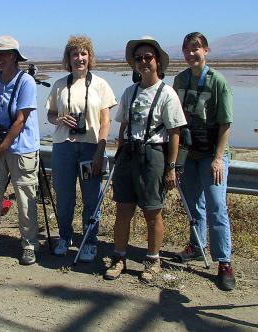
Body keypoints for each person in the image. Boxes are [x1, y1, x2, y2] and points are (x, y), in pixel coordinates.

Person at [104, 36, 187, 282]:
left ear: (157, 61)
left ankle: (153, 260)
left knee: (152, 212)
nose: (143, 62)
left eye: (147, 57)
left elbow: (175, 133)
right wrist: (119, 154)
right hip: (128, 154)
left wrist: (171, 167)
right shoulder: (130, 91)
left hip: (153, 156)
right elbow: (123, 126)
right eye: (138, 58)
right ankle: (119, 258)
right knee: (123, 210)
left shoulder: (167, 94)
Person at [173, 32, 235, 291]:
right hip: (189, 153)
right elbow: (174, 119)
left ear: (206, 50)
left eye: (195, 49)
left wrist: (219, 159)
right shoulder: (180, 80)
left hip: (212, 155)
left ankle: (224, 262)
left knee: (216, 206)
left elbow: (225, 123)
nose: (191, 54)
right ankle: (197, 246)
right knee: (192, 204)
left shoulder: (218, 81)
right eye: (187, 49)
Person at [46, 35, 117, 262]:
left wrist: (100, 149)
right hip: (63, 149)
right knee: (64, 197)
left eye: (83, 53)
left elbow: (106, 121)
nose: (79, 58)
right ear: (68, 58)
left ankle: (89, 240)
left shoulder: (100, 85)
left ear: (90, 56)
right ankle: (65, 237)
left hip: (90, 148)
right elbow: (50, 113)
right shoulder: (59, 85)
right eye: (75, 54)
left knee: (91, 197)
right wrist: (59, 120)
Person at [0, 36, 40, 265]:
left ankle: (30, 244)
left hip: (21, 149)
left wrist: (4, 147)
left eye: (3, 54)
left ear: (14, 56)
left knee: (25, 198)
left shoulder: (26, 82)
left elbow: (21, 119)